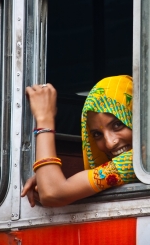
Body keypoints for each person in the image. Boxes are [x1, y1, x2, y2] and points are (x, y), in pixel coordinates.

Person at [21, 75, 137, 207]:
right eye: (97, 134)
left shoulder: (138, 161)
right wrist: (45, 177)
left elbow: (53, 193)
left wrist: (44, 119)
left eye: (118, 125)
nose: (109, 143)